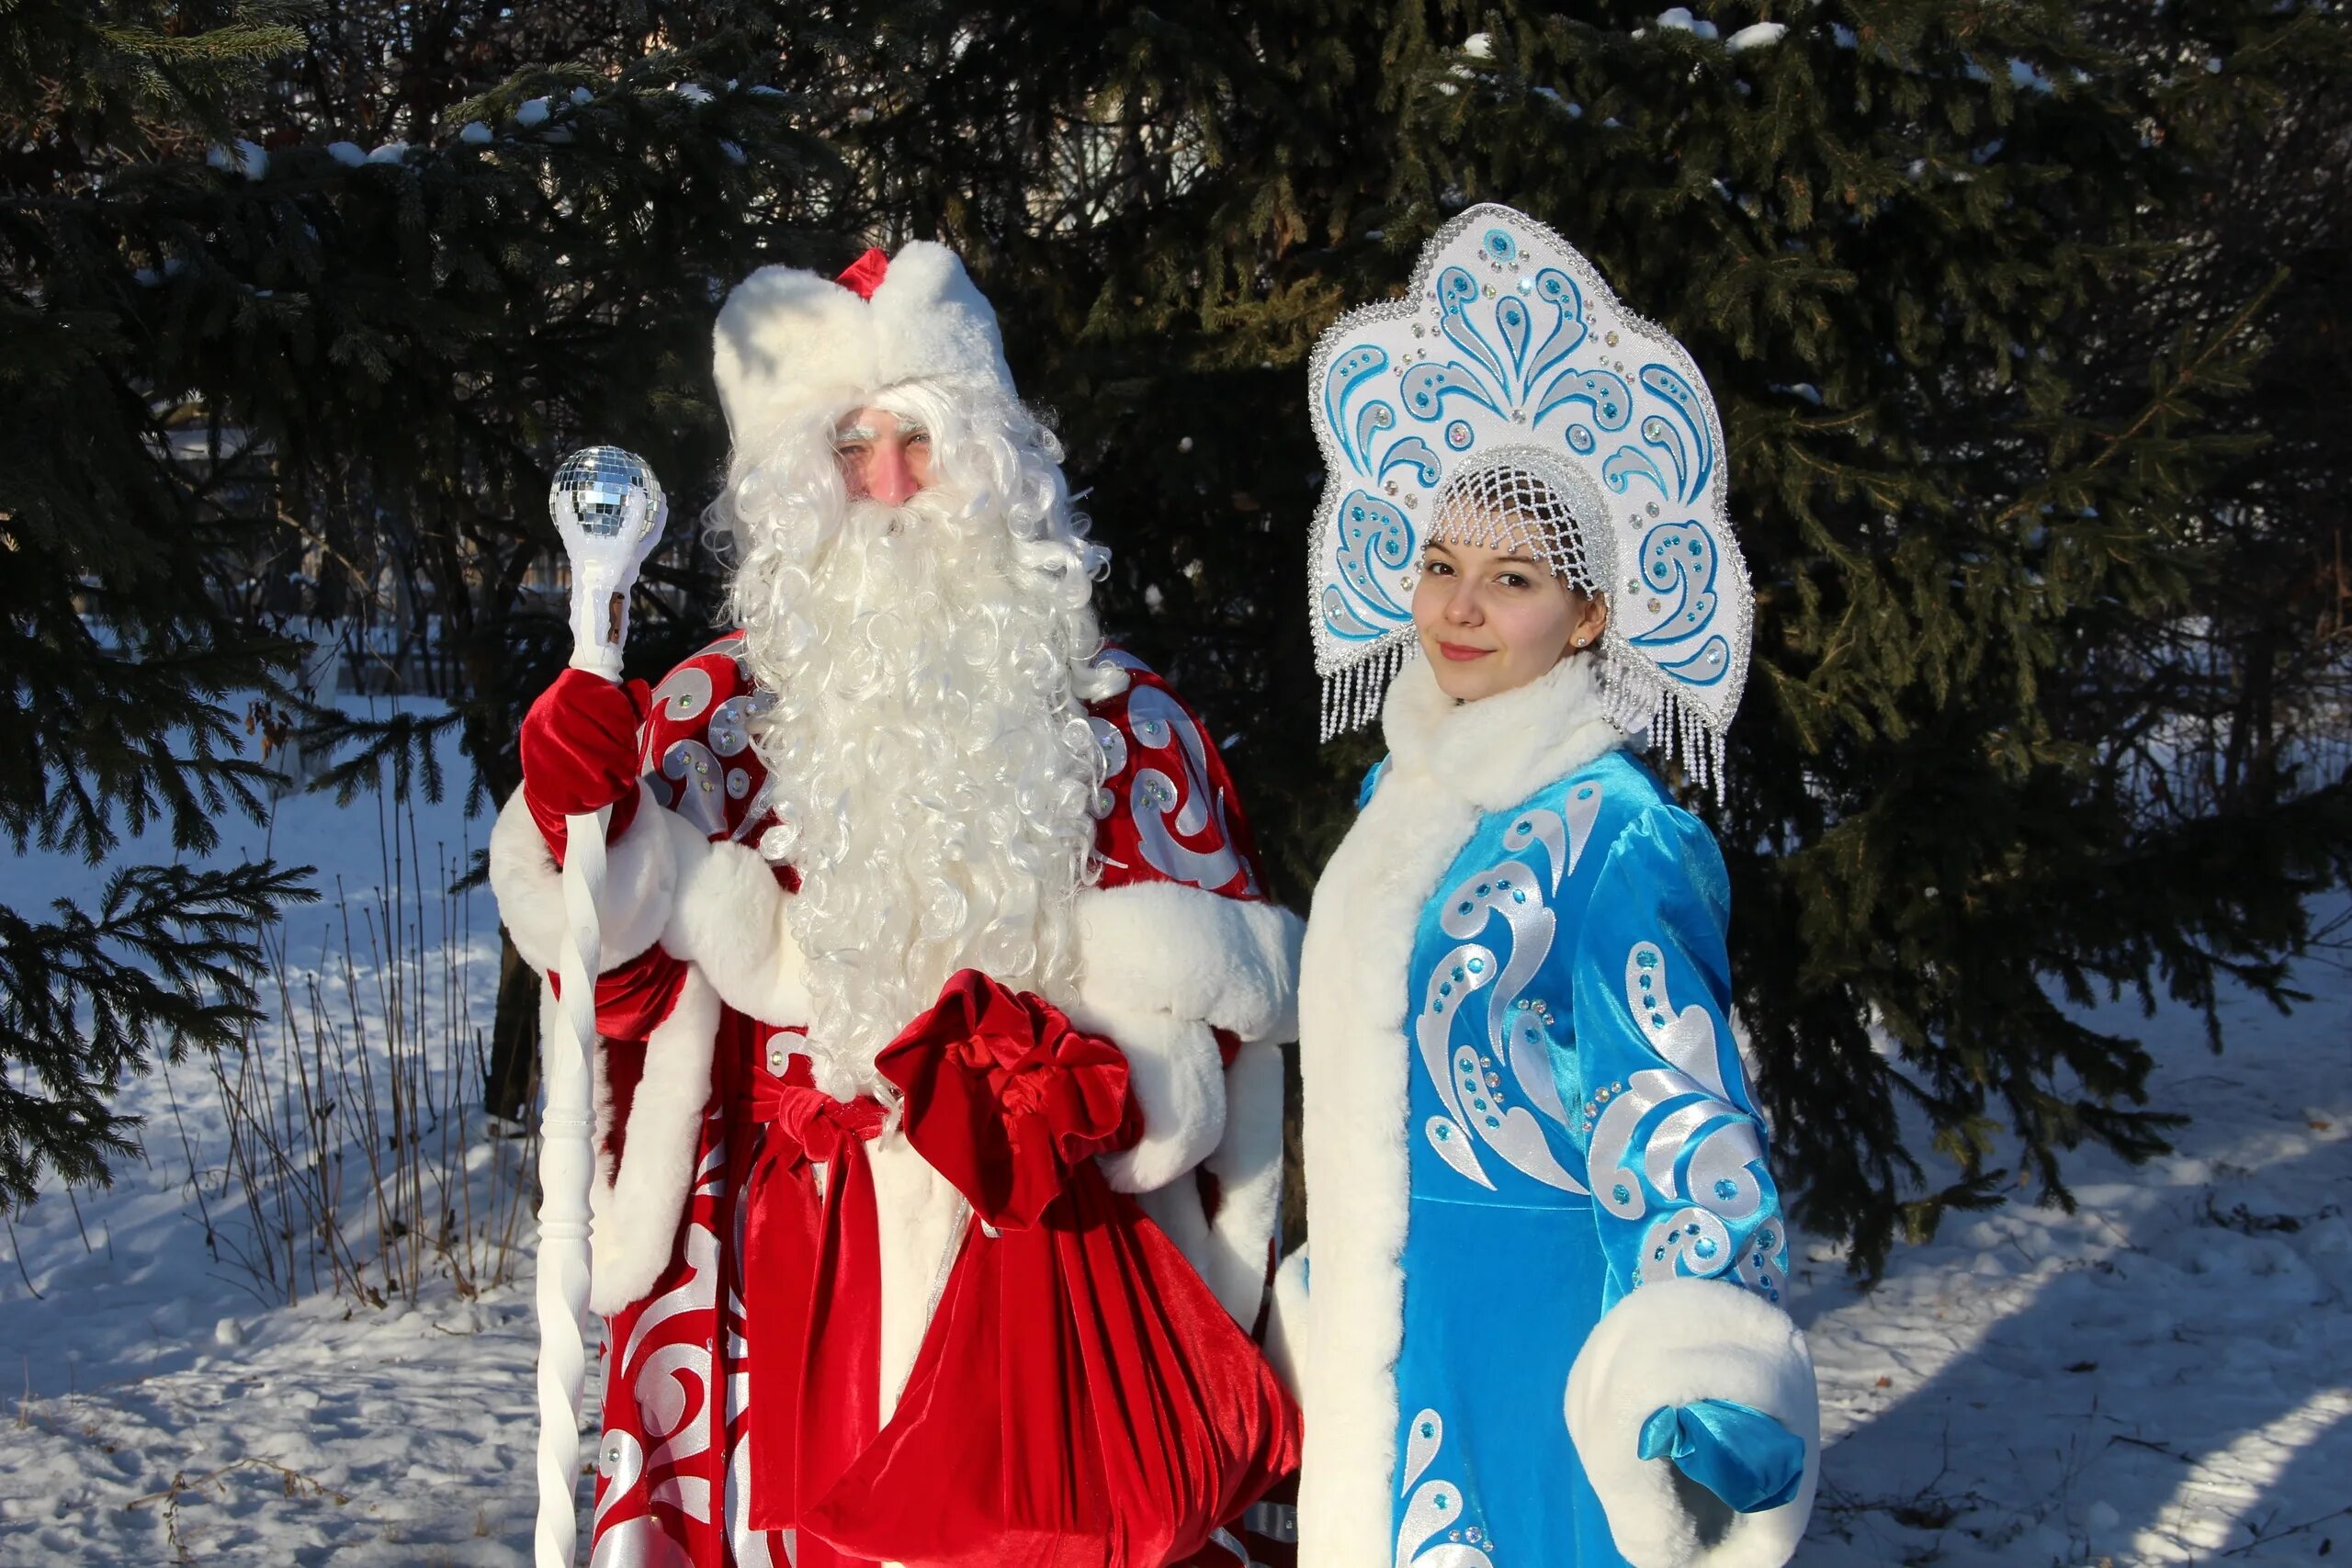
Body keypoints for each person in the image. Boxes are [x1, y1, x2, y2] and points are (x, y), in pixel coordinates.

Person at [491, 242, 1301, 1567]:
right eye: (845, 449)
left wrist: (1077, 1085)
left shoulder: (1134, 730)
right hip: (776, 1293)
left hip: (1058, 1290)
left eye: (917, 438)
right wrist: (587, 822)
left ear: (989, 453)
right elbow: (627, 1000)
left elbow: (1227, 1057)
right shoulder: (707, 723)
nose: (885, 484)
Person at [1275, 205, 1819, 1568]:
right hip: (1395, 1327)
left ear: (1590, 615)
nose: (1460, 608)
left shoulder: (1614, 833)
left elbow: (1675, 1100)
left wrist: (1694, 1355)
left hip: (1539, 1336)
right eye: (1441, 566)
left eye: (1512, 579)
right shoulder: (1404, 804)